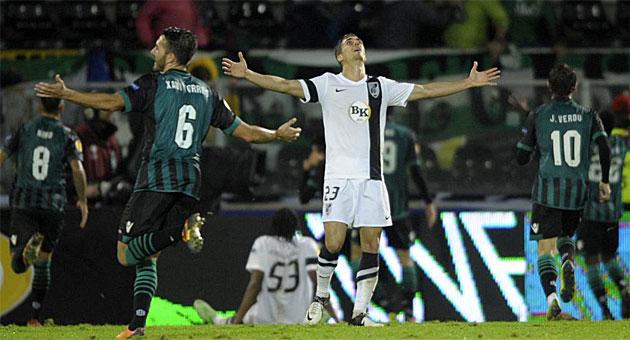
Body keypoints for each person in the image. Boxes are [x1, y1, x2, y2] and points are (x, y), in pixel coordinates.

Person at [35, 27, 301, 338]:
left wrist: (67, 93)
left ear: (171, 55)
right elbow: (246, 133)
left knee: (125, 254)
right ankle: (136, 326)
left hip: (156, 180)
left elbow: (109, 102)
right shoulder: (208, 92)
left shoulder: (153, 84)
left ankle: (182, 231)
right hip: (189, 183)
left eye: (158, 47)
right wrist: (276, 135)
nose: (152, 52)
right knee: (149, 257)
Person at [222, 33, 500, 325]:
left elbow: (425, 91)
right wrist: (248, 74)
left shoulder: (380, 87)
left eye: (358, 41)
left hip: (372, 179)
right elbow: (286, 85)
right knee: (333, 241)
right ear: (340, 56)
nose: (356, 43)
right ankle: (320, 298)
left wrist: (467, 83)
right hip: (338, 178)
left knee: (372, 244)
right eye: (348, 41)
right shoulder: (328, 84)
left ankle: (360, 313)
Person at [516, 64, 611, 320]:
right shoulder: (589, 114)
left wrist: (529, 137)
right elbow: (604, 146)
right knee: (566, 234)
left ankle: (553, 301)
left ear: (549, 87)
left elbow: (521, 157)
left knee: (545, 248)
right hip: (576, 191)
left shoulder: (538, 115)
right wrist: (604, 180)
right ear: (574, 87)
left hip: (548, 192)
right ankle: (568, 259)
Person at [0, 97, 88, 326]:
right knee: (44, 260)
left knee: (17, 265)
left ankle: (23, 254)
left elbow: (1, 156)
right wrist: (83, 200)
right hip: (53, 204)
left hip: (24, 202)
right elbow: (77, 170)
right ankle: (35, 318)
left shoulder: (24, 130)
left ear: (39, 106)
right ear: (62, 107)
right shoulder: (69, 135)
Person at [194, 208, 338, 324]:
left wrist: (237, 321)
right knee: (314, 312)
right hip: (299, 319)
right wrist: (336, 318)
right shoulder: (308, 245)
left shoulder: (263, 243)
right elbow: (319, 284)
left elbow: (255, 283)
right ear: (296, 226)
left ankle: (220, 321)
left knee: (243, 317)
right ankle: (323, 317)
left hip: (265, 317)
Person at [381, 115, 437, 319]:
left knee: (359, 253)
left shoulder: (367, 130)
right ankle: (408, 310)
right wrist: (428, 201)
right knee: (404, 257)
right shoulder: (405, 135)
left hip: (371, 204)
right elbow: (416, 171)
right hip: (397, 207)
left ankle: (378, 304)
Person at [577, 110, 630, 320]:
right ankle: (624, 289)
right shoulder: (619, 144)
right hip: (612, 215)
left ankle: (604, 308)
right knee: (609, 258)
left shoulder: (588, 147)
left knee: (591, 261)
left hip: (590, 214)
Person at [75, 107, 128, 204]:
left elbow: (121, 172)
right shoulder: (80, 137)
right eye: (107, 107)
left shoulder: (113, 141)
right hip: (82, 206)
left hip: (108, 204)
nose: (112, 111)